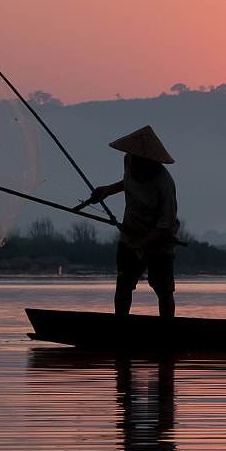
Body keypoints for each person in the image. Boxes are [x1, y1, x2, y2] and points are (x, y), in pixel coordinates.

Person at [77, 126, 180, 317]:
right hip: (130, 236)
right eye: (134, 160)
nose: (135, 165)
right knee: (124, 284)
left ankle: (167, 330)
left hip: (160, 243)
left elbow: (165, 226)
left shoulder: (163, 185)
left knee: (164, 289)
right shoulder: (129, 160)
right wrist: (108, 190)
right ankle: (120, 325)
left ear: (151, 163)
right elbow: (128, 182)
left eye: (142, 163)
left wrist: (144, 245)